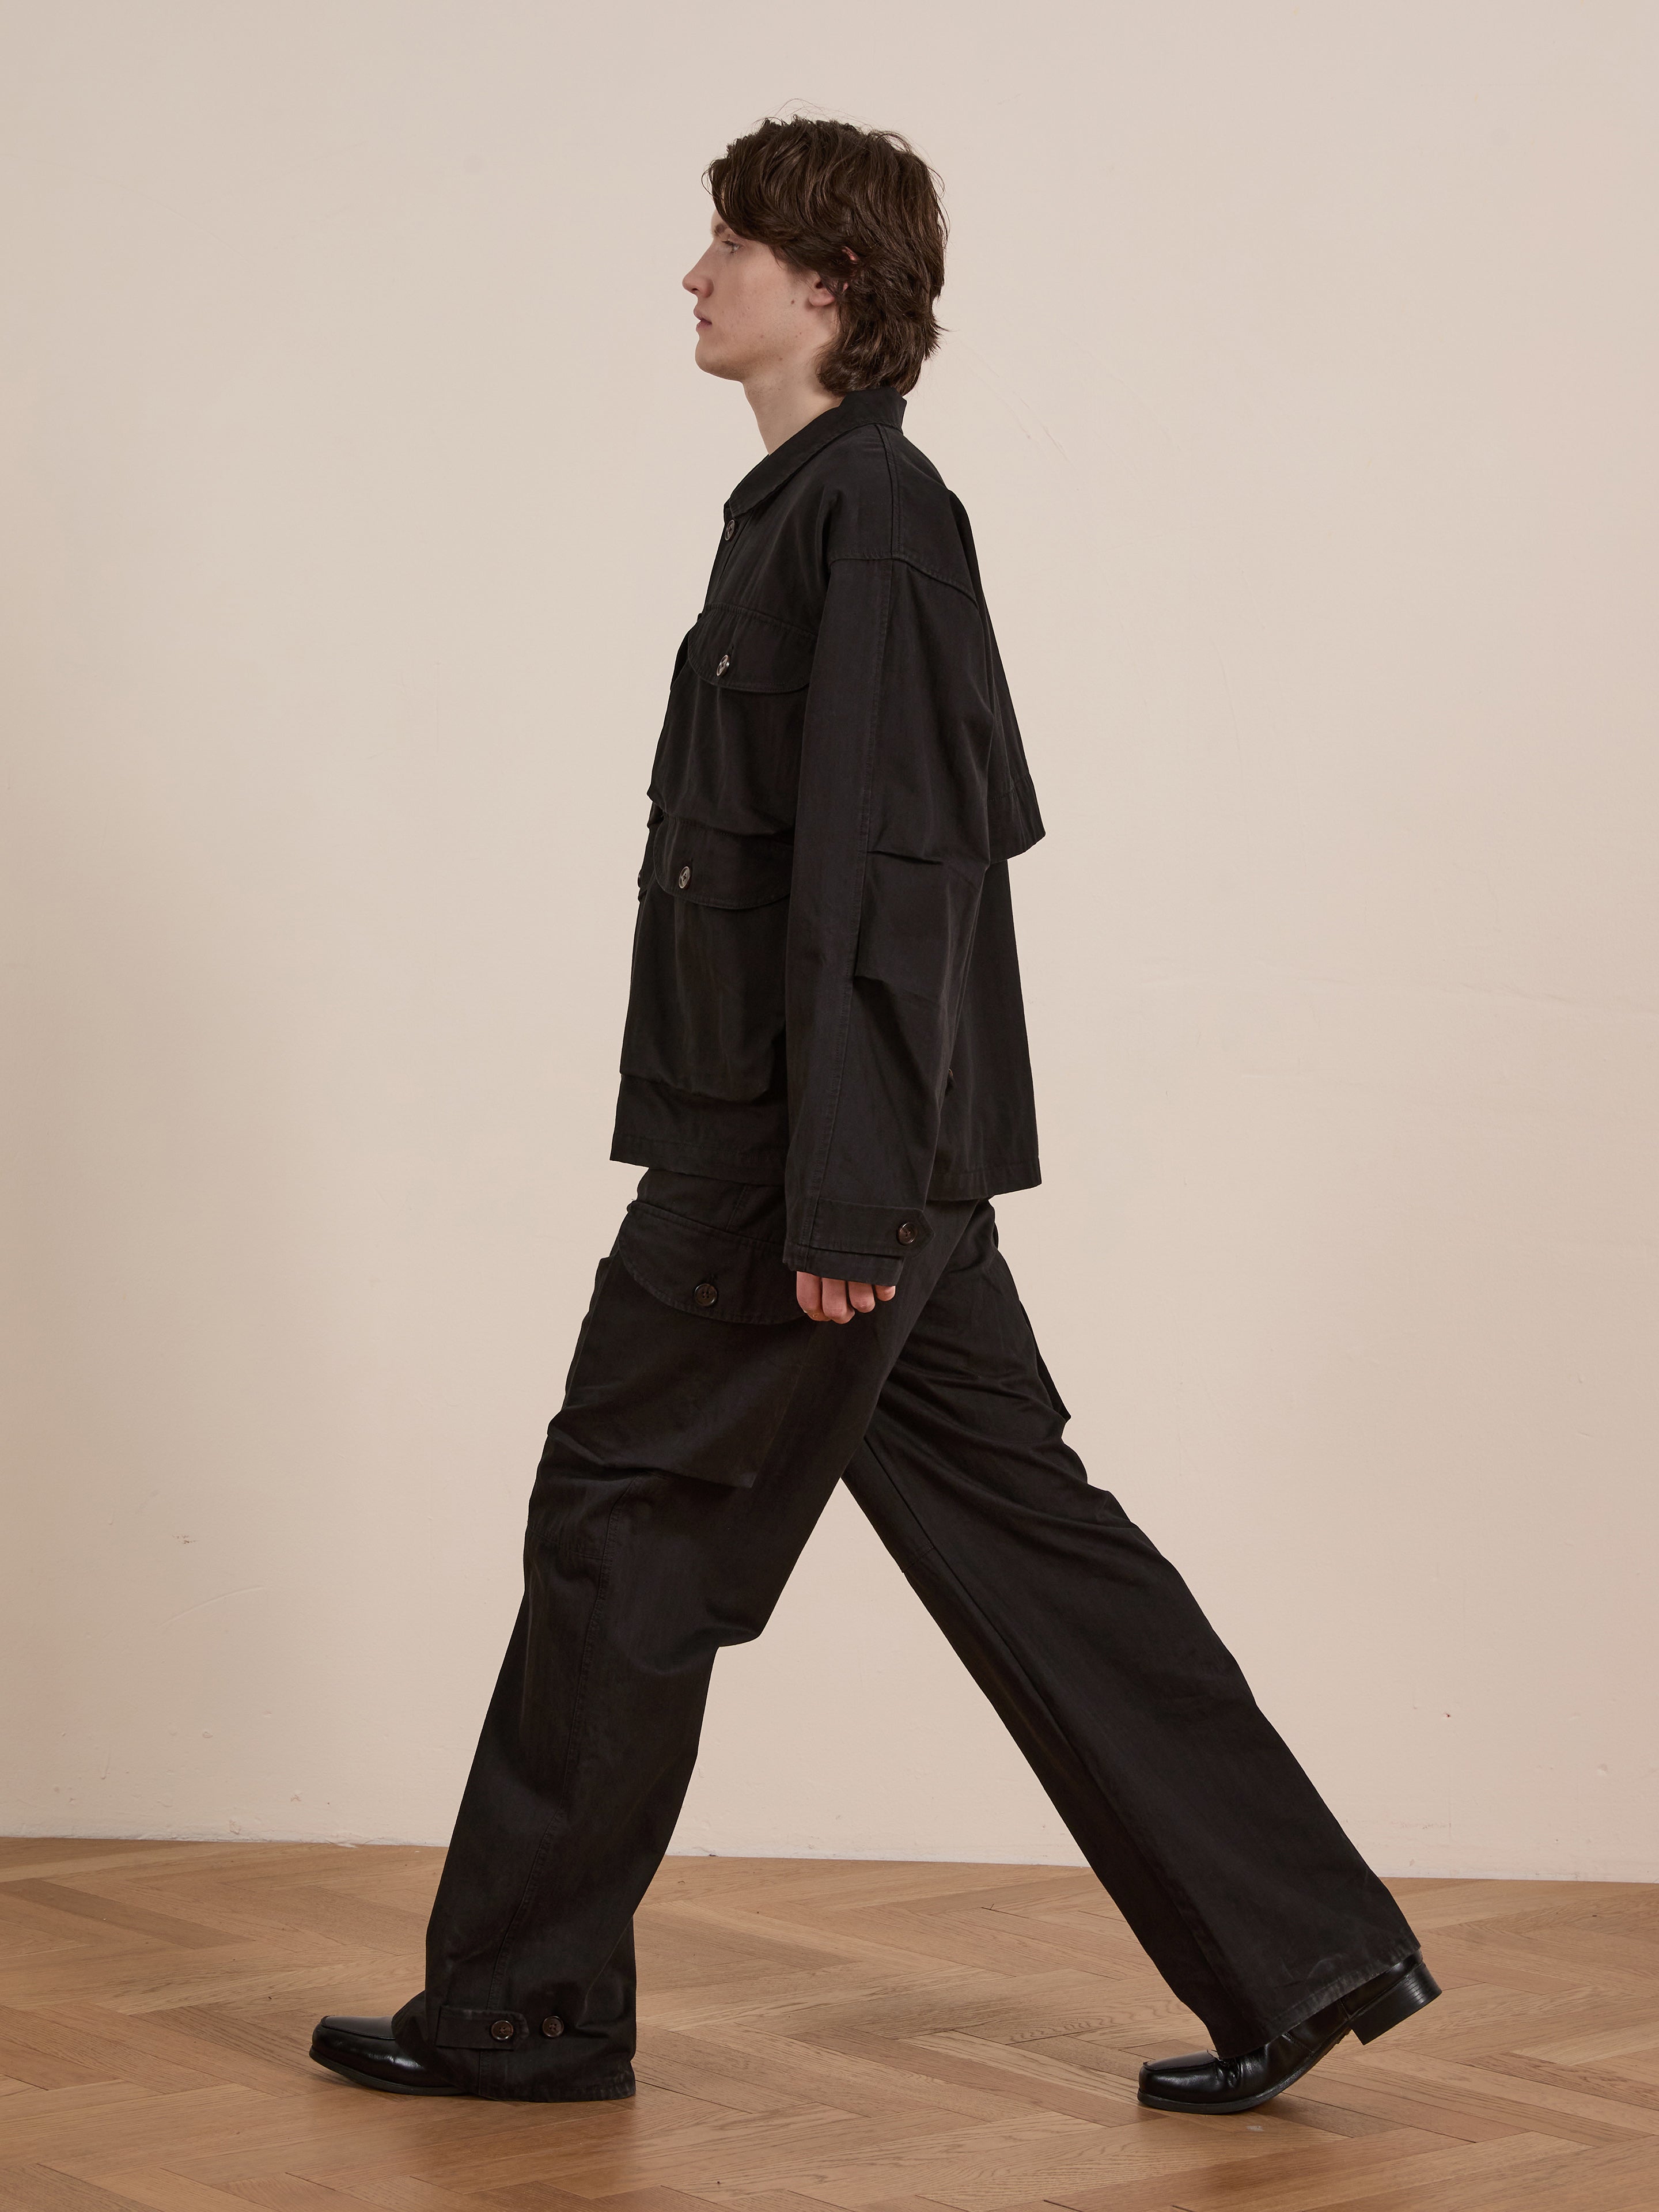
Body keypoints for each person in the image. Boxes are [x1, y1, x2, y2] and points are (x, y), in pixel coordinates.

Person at [309, 116, 1438, 2116]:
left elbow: (897, 874)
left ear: (826, 285)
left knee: (623, 1524)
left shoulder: (878, 519)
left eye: (730, 242)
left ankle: (524, 2006)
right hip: (862, 1158)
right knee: (1028, 1537)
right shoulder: (806, 513)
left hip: (799, 1168)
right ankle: (1303, 1948)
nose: (695, 273)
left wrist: (840, 1197)